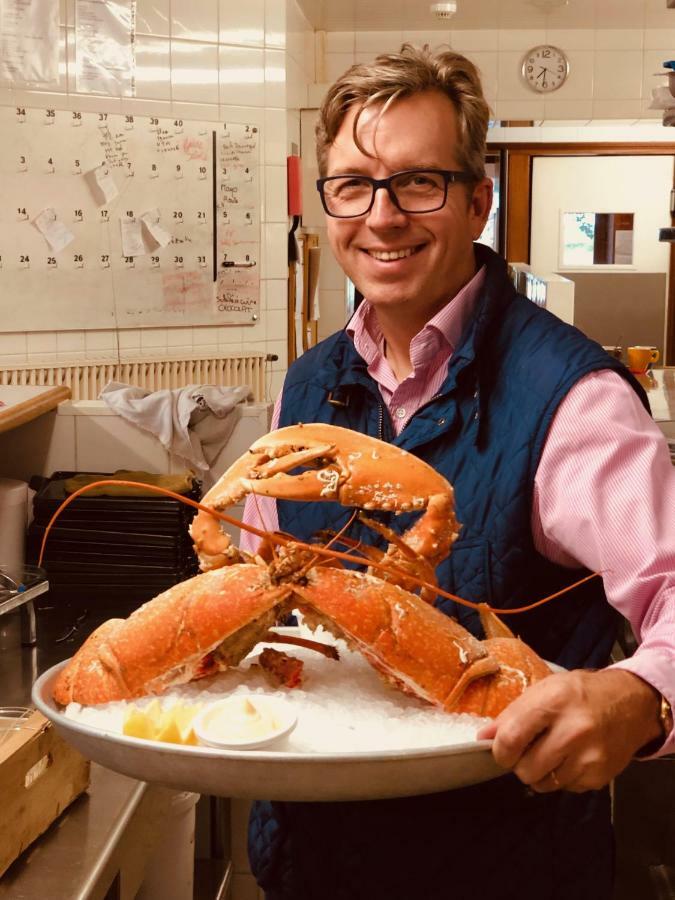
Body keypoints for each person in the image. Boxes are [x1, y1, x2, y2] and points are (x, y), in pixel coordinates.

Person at [241, 44, 675, 900]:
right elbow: (257, 567)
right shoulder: (307, 379)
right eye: (353, 184)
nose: (382, 215)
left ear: (477, 200)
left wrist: (639, 697)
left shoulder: (573, 396)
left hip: (505, 859)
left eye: (417, 183)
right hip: (309, 853)